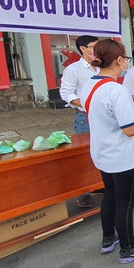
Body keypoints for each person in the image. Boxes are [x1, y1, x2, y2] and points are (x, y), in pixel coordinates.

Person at [79, 39, 134, 263]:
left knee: (111, 197)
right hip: (123, 157)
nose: (126, 62)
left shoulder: (89, 85)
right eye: (125, 58)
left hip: (103, 153)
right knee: (124, 203)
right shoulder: (117, 90)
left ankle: (108, 239)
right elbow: (131, 129)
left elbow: (103, 109)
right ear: (118, 60)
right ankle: (128, 248)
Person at [59, 34, 99, 208]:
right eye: (94, 46)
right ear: (83, 48)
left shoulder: (102, 66)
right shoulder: (74, 70)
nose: (97, 50)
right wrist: (87, 103)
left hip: (103, 115)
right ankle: (84, 194)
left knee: (102, 151)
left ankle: (100, 185)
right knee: (85, 156)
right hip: (85, 117)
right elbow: (66, 93)